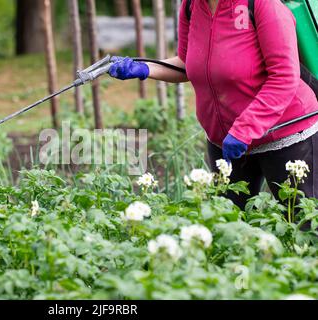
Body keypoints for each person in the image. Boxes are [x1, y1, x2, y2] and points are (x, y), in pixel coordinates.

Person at [108, 0, 318, 210]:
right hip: (227, 142)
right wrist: (145, 68)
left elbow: (284, 77)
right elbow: (187, 63)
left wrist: (245, 128)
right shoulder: (191, 7)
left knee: (302, 224)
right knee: (228, 223)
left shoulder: (262, 5)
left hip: (286, 135)